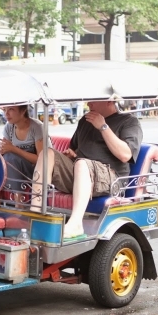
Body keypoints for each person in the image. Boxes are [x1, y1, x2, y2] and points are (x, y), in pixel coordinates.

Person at [30, 99, 142, 239]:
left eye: (93, 101)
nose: (88, 104)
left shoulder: (129, 122)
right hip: (82, 172)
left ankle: (76, 223)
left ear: (109, 101)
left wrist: (103, 127)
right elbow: (75, 149)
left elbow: (125, 155)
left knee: (82, 164)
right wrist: (72, 154)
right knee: (47, 153)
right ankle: (36, 214)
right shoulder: (85, 120)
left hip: (112, 179)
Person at [0, 105, 50, 198]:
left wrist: (14, 149)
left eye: (11, 109)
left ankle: (18, 203)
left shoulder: (37, 127)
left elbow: (42, 160)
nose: (6, 113)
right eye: (5, 110)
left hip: (38, 170)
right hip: (18, 169)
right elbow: (5, 150)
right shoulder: (9, 127)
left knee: (10, 158)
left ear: (23, 110)